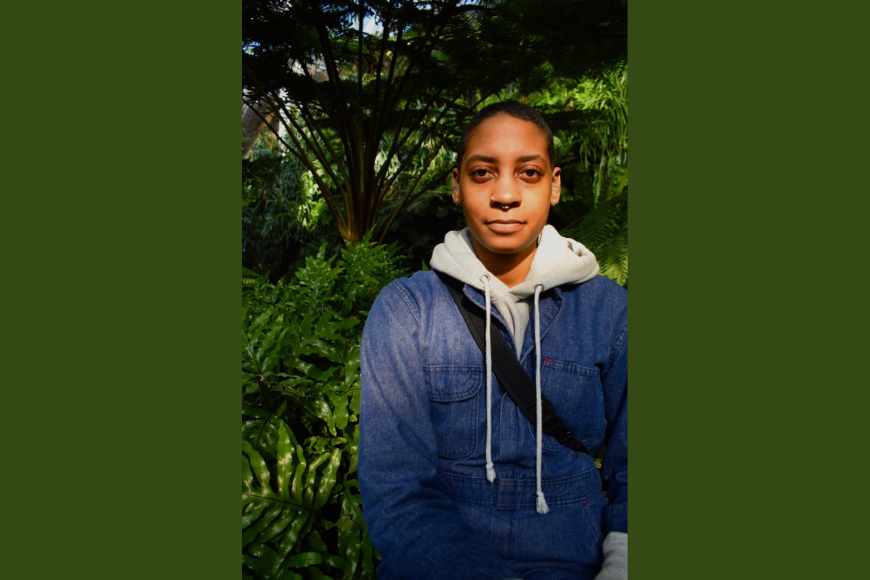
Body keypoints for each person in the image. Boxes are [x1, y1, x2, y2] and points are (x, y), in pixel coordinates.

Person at [359, 102, 627, 580]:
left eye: (528, 172)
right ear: (456, 185)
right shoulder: (407, 311)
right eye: (483, 172)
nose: (505, 194)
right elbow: (397, 493)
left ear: (555, 185)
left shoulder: (609, 313)